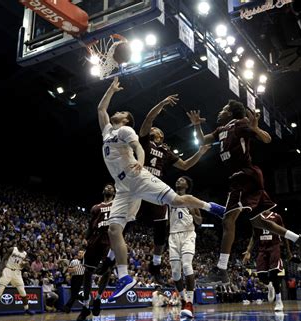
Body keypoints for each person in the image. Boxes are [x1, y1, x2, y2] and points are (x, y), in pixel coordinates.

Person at [96, 77, 225, 301]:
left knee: (176, 202)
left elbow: (139, 147)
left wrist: (140, 160)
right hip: (123, 187)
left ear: (127, 120)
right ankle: (125, 276)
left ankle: (211, 207)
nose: (119, 112)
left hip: (139, 178)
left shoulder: (126, 131)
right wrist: (111, 89)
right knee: (114, 229)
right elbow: (101, 108)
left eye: (123, 112)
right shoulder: (108, 131)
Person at [186, 101, 301, 285]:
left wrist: (256, 128)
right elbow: (204, 140)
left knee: (228, 220)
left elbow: (267, 139)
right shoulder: (222, 129)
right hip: (245, 177)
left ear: (230, 113)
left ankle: (221, 270)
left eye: (223, 109)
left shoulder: (240, 124)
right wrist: (197, 125)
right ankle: (300, 240)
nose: (220, 111)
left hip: (243, 175)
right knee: (259, 221)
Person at [138, 94, 210, 284]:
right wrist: (161, 103)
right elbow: (148, 119)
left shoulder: (167, 151)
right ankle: (113, 257)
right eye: (153, 129)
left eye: (157, 130)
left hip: (155, 188)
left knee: (161, 225)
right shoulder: (144, 142)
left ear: (161, 136)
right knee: (126, 220)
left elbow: (185, 165)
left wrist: (200, 153)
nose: (153, 129)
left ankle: (155, 264)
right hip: (139, 184)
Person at [77, 184, 115, 321]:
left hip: (109, 238)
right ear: (103, 191)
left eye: (111, 187)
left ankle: (98, 299)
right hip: (95, 239)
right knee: (88, 272)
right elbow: (89, 227)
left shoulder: (117, 203)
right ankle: (86, 306)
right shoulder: (95, 207)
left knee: (107, 269)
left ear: (115, 192)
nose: (109, 188)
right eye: (107, 187)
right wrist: (85, 239)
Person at [243, 211, 291, 311]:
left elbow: (284, 233)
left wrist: (288, 251)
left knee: (274, 274)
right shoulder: (256, 217)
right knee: (261, 276)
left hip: (274, 246)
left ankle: (279, 301)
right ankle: (270, 286)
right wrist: (248, 251)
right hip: (262, 248)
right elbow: (254, 236)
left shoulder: (277, 216)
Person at [168, 176, 200, 319]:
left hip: (188, 234)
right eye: (177, 179)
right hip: (173, 235)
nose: (178, 181)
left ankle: (190, 303)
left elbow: (199, 221)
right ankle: (184, 300)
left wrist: (193, 213)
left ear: (187, 185)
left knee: (187, 265)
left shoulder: (192, 200)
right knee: (175, 273)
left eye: (182, 180)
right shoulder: (170, 198)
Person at [0, 239, 35, 318]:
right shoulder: (12, 249)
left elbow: (22, 265)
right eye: (23, 242)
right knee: (0, 291)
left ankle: (26, 309)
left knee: (23, 292)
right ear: (20, 243)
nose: (24, 243)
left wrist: (25, 265)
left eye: (25, 243)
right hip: (7, 270)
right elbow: (4, 259)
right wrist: (1, 270)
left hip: (17, 272)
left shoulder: (25, 253)